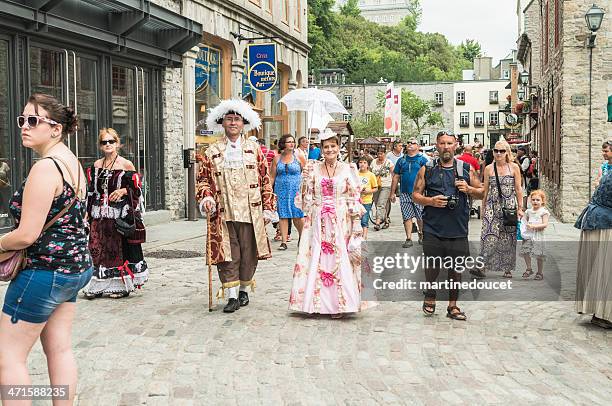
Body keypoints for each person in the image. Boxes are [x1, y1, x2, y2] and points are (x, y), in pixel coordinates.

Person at [0, 93, 92, 404]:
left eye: (33, 120)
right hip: (73, 269)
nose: (24, 126)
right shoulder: (72, 163)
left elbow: (26, 235)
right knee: (60, 349)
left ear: (55, 129)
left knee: (8, 357)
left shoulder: (45, 168)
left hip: (44, 272)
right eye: (22, 120)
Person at [196, 99, 277, 313]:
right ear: (222, 123)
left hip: (251, 209)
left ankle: (243, 290)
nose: (233, 123)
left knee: (248, 251)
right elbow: (203, 179)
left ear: (244, 124)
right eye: (229, 119)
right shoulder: (211, 151)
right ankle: (231, 295)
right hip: (224, 211)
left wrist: (268, 206)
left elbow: (264, 179)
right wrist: (206, 197)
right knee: (228, 252)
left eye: (237, 119)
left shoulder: (254, 149)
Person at [289, 130, 370, 317]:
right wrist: (304, 179)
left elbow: (353, 196)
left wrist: (356, 223)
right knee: (316, 257)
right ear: (321, 149)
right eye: (326, 147)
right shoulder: (313, 168)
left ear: (338, 147)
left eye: (333, 146)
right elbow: (303, 201)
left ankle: (340, 305)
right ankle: (315, 303)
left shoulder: (348, 169)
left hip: (341, 220)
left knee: (339, 258)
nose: (330, 150)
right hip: (317, 220)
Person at [412, 130, 483, 320]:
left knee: (456, 268)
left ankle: (453, 305)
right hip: (432, 227)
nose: (445, 147)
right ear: (437, 145)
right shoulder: (427, 169)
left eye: (449, 143)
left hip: (458, 227)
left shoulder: (466, 169)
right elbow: (415, 195)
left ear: (456, 145)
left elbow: (483, 192)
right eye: (442, 143)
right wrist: (430, 201)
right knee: (432, 265)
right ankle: (430, 294)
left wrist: (469, 189)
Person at [82, 128, 148, 299]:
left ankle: (120, 286)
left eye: (111, 141)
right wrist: (87, 213)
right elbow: (91, 192)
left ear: (117, 143)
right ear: (100, 145)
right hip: (98, 214)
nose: (108, 145)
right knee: (96, 248)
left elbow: (137, 189)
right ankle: (96, 285)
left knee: (115, 250)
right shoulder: (96, 165)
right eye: (104, 142)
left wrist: (123, 191)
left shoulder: (126, 164)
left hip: (118, 214)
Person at [476, 140, 524, 279]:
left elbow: (518, 189)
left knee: (507, 237)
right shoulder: (489, 168)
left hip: (509, 205)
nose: (498, 153)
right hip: (492, 204)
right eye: (496, 150)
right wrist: (483, 208)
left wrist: (520, 208)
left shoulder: (514, 167)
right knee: (487, 235)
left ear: (507, 152)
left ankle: (507, 268)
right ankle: (482, 266)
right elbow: (485, 190)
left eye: (502, 151)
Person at [575, 173, 612, 329]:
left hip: (596, 220)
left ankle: (600, 313)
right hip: (602, 223)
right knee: (605, 271)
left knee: (601, 270)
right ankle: (604, 315)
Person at [390, 138, 428, 247]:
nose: (410, 144)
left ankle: (421, 234)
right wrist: (392, 193)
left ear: (418, 146)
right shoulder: (401, 160)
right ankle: (408, 238)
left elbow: (427, 176)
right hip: (405, 192)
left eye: (413, 143)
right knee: (406, 216)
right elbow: (396, 176)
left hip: (419, 193)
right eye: (409, 142)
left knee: (420, 216)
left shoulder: (423, 160)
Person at [270, 134, 306, 250]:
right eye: (289, 142)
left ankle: (302, 237)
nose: (292, 144)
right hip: (281, 190)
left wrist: (305, 189)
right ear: (283, 144)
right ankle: (284, 241)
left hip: (295, 190)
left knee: (297, 215)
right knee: (283, 215)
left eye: (293, 142)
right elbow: (272, 176)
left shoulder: (299, 156)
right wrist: (269, 191)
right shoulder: (277, 158)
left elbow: (306, 174)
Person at [520, 190, 549, 280]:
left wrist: (534, 226)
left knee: (539, 255)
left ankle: (540, 272)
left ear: (542, 201)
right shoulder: (528, 211)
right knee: (526, 251)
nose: (535, 202)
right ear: (530, 201)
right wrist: (523, 225)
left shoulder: (543, 212)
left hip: (538, 235)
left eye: (537, 200)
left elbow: (545, 224)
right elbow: (524, 221)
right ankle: (529, 268)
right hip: (529, 235)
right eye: (533, 200)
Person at [370, 148, 394, 230]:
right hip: (376, 186)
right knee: (378, 204)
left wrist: (393, 190)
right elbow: (370, 173)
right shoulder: (373, 162)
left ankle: (377, 222)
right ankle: (386, 220)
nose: (380, 155)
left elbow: (394, 175)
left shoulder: (389, 162)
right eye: (378, 153)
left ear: (385, 153)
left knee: (381, 203)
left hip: (386, 185)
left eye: (381, 154)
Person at [357, 157, 378, 241]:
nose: (362, 164)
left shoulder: (371, 175)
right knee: (356, 219)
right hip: (356, 201)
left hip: (367, 200)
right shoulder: (355, 174)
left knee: (364, 220)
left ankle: (364, 237)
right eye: (360, 162)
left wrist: (369, 191)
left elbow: (375, 188)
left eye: (365, 162)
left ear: (368, 165)